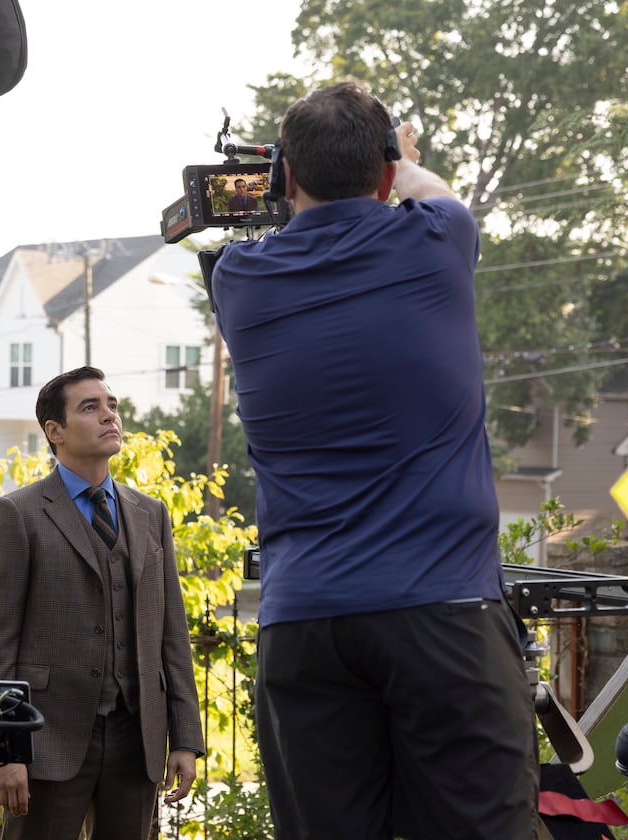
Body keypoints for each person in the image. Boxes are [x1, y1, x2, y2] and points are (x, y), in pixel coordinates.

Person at [209, 81, 539, 839]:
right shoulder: (439, 238)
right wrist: (403, 154)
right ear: (387, 173)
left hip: (304, 622)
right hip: (443, 612)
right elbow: (429, 190)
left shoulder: (239, 279)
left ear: (283, 175)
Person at [0, 366, 204, 840]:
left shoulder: (150, 514)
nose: (109, 416)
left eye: (112, 405)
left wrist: (184, 736)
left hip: (136, 737)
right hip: (45, 739)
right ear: (54, 432)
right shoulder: (18, 513)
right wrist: (6, 750)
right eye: (90, 407)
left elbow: (171, 634)